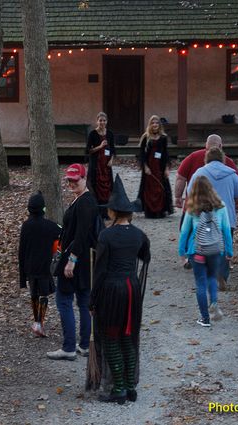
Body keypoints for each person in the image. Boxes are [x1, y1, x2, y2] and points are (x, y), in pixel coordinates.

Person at [90, 175, 150, 404]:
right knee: (129, 336)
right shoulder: (139, 235)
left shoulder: (106, 236)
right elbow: (146, 256)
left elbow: (100, 271)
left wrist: (92, 301)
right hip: (132, 289)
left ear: (113, 212)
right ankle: (131, 388)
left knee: (111, 337)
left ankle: (120, 389)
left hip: (112, 292)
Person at [47, 164, 99, 361]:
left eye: (75, 179)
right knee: (84, 300)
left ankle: (69, 346)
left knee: (64, 300)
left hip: (76, 260)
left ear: (85, 179)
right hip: (83, 260)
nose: (71, 183)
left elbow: (82, 234)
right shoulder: (83, 200)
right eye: (69, 179)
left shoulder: (85, 202)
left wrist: (72, 260)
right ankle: (84, 344)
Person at [174, 134, 238, 269]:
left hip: (198, 210)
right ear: (221, 146)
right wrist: (237, 204)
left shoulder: (193, 159)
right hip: (224, 211)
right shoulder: (229, 164)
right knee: (225, 234)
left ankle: (192, 259)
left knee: (191, 232)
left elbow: (181, 178)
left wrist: (178, 197)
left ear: (206, 146)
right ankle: (224, 261)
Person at [178, 176, 233, 327]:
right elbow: (226, 231)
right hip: (215, 250)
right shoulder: (221, 206)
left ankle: (205, 318)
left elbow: (184, 232)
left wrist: (181, 251)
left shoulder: (192, 207)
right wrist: (229, 251)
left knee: (200, 282)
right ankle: (214, 302)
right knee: (211, 277)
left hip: (197, 251)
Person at [188, 148, 238, 290]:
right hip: (226, 217)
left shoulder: (199, 173)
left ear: (206, 158)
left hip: (204, 216)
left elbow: (190, 193)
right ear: (222, 158)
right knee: (224, 244)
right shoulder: (232, 174)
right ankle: (222, 276)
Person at [18, 191, 62, 337]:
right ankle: (39, 322)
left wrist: (22, 275)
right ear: (43, 209)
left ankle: (37, 321)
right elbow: (63, 232)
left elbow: (21, 250)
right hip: (44, 267)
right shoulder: (50, 226)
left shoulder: (25, 226)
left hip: (29, 267)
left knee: (33, 294)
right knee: (43, 294)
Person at [137, 115, 173, 219]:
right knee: (149, 188)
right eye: (153, 123)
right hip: (149, 167)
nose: (155, 125)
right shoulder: (146, 137)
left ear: (159, 125)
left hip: (160, 167)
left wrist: (166, 168)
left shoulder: (163, 138)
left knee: (160, 188)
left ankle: (160, 210)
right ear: (150, 125)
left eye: (157, 123)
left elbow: (166, 154)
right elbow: (142, 154)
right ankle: (150, 211)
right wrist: (145, 167)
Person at [86, 112, 115, 218]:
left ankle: (107, 212)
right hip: (96, 167)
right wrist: (100, 146)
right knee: (96, 188)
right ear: (97, 121)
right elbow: (88, 150)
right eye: (100, 120)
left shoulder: (110, 134)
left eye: (104, 120)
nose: (102, 122)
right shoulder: (93, 134)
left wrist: (111, 159)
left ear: (106, 121)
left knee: (108, 189)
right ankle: (97, 212)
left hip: (106, 167)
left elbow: (113, 149)